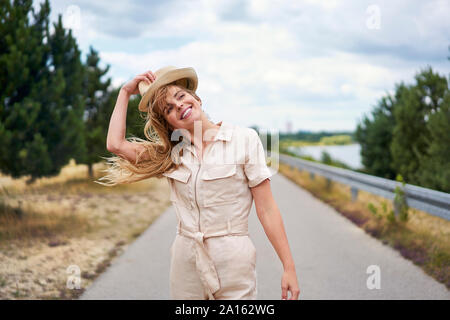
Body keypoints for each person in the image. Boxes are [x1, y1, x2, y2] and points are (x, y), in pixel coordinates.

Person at [96, 66, 300, 300]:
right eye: (169, 109)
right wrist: (124, 92)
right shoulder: (169, 156)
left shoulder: (244, 139)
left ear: (197, 99)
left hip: (233, 259)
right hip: (186, 260)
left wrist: (289, 267)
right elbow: (116, 145)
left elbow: (267, 209)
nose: (179, 106)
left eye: (181, 96)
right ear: (169, 123)